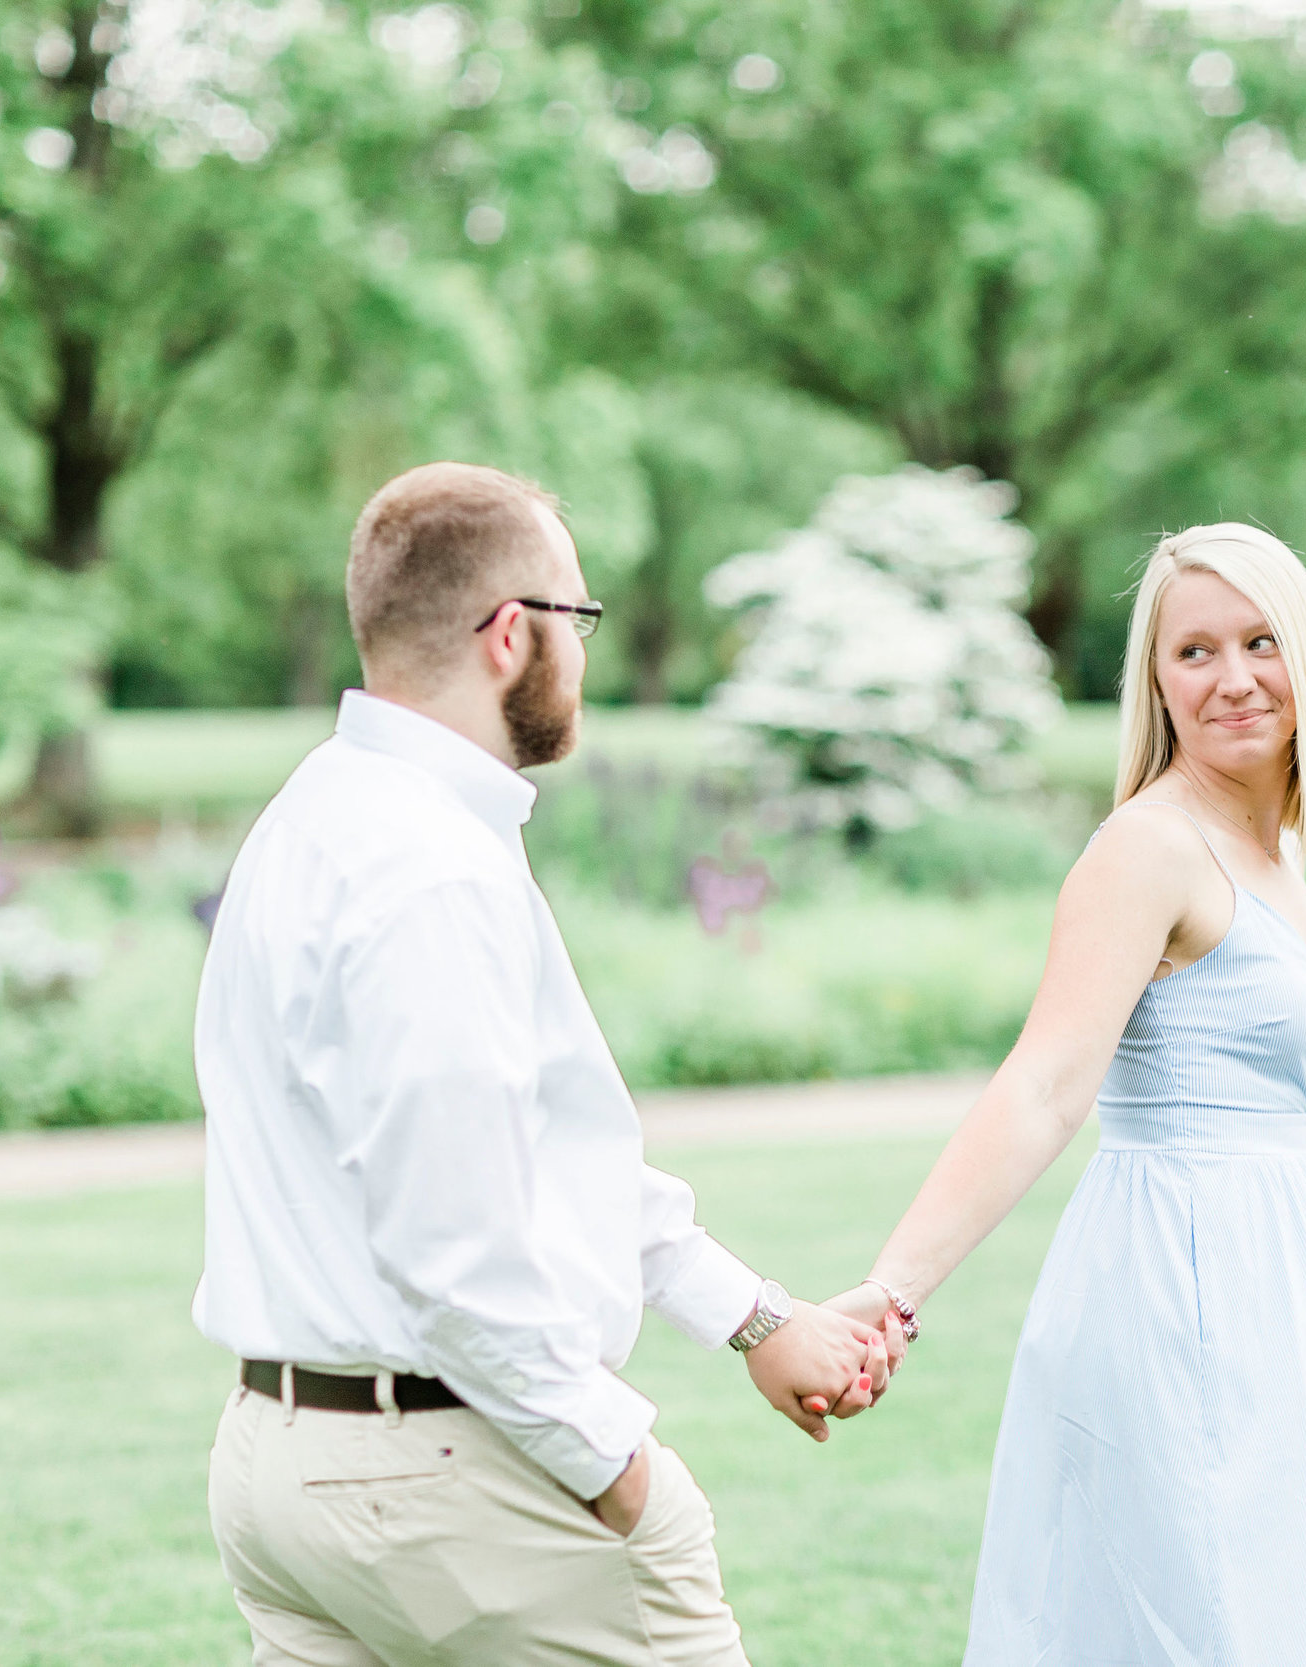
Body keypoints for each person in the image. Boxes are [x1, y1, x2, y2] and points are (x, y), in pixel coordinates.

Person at [192, 462, 902, 1667]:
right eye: (579, 620)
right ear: (511, 635)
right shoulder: (431, 872)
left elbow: (540, 1155)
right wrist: (619, 1467)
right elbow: (456, 1244)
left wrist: (755, 1317)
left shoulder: (316, 815)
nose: (589, 654)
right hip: (446, 1474)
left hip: (278, 1457)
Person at [835, 523, 1306, 1665]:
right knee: (1194, 1611)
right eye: (1194, 651)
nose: (1233, 676)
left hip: (1270, 1292)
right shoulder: (1148, 848)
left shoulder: (1276, 860)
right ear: (1154, 679)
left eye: (1259, 641)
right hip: (1174, 1286)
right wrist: (890, 1290)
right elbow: (1045, 1084)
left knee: (1282, 1596)